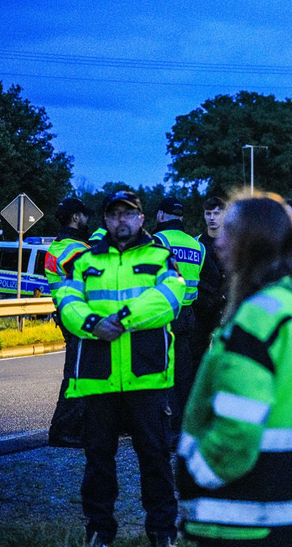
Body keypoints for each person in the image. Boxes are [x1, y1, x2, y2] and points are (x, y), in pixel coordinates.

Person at [178, 193, 292, 547]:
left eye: (228, 231)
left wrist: (193, 472)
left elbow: (237, 429)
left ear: (253, 240)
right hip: (285, 512)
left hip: (239, 517)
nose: (218, 241)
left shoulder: (259, 316)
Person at [59, 190, 186, 547]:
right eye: (114, 215)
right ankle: (99, 532)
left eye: (128, 214)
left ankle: (162, 533)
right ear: (105, 220)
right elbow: (67, 300)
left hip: (145, 377)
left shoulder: (161, 257)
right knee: (98, 462)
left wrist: (123, 319)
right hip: (98, 380)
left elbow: (170, 299)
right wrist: (93, 322)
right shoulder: (84, 262)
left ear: (141, 218)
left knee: (155, 459)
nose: (121, 221)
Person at [152, 197, 206, 435]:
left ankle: (167, 427)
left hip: (163, 313)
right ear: (181, 217)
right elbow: (209, 281)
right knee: (184, 372)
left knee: (162, 370)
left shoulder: (157, 241)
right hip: (188, 315)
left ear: (161, 216)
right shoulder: (197, 246)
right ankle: (183, 427)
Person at [45, 197, 92, 448]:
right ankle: (63, 431)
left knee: (78, 372)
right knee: (76, 374)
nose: (88, 219)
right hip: (78, 317)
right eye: (85, 215)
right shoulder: (75, 250)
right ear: (76, 217)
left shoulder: (57, 246)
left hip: (66, 314)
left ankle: (72, 429)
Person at [193, 197, 227, 368]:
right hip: (201, 310)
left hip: (226, 307)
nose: (212, 218)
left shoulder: (233, 242)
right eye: (208, 213)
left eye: (216, 213)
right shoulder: (196, 243)